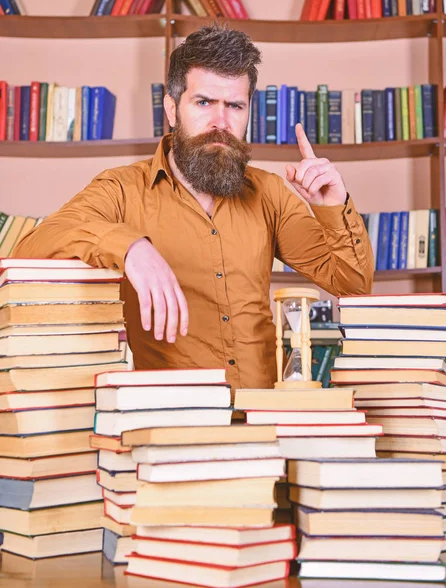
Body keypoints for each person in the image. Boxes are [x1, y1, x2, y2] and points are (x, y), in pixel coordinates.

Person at [13, 24, 374, 389]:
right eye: (204, 103)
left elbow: (354, 285)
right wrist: (129, 247)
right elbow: (31, 248)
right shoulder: (121, 189)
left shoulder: (270, 194)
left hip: (261, 418)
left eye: (235, 105)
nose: (220, 122)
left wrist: (333, 205)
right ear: (172, 108)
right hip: (169, 422)